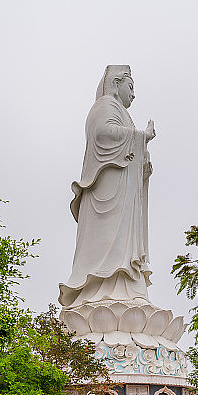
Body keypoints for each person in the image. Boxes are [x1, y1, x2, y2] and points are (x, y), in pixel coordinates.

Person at [59, 65, 157, 308]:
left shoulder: (124, 115)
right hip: (107, 189)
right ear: (116, 83)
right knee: (106, 243)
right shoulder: (104, 106)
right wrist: (140, 136)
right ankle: (97, 293)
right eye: (131, 87)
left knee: (126, 242)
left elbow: (131, 147)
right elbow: (103, 134)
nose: (134, 95)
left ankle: (129, 287)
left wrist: (143, 154)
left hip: (125, 193)